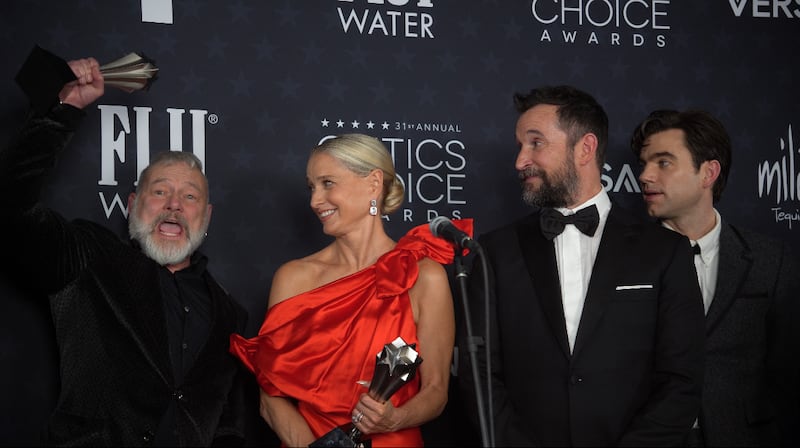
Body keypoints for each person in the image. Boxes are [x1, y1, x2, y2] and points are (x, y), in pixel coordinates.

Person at [0, 54, 248, 445]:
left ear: (208, 215)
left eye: (189, 196)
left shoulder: (231, 314)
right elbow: (10, 209)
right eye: (160, 191)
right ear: (132, 204)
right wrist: (62, 112)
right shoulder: (88, 257)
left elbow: (228, 427)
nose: (174, 205)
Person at [456, 85, 705, 446]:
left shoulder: (665, 252)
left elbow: (682, 379)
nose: (520, 160)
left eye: (536, 143)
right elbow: (478, 376)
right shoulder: (492, 252)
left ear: (585, 148)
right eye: (520, 146)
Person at [229, 133, 471, 447]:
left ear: (373, 183)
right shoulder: (293, 278)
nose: (315, 201)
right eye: (311, 187)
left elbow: (436, 392)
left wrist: (395, 418)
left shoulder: (425, 276)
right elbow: (270, 397)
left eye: (328, 183)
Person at [631, 109, 800, 447]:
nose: (645, 175)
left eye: (663, 163)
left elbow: (789, 373)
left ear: (708, 172)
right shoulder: (623, 260)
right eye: (644, 163)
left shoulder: (770, 259)